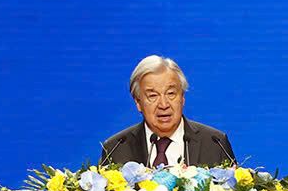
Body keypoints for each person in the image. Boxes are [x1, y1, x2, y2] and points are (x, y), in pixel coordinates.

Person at [99, 55, 235, 168]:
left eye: (171, 93)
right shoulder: (116, 148)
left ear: (182, 98)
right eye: (153, 96)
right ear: (138, 103)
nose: (163, 105)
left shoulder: (215, 143)